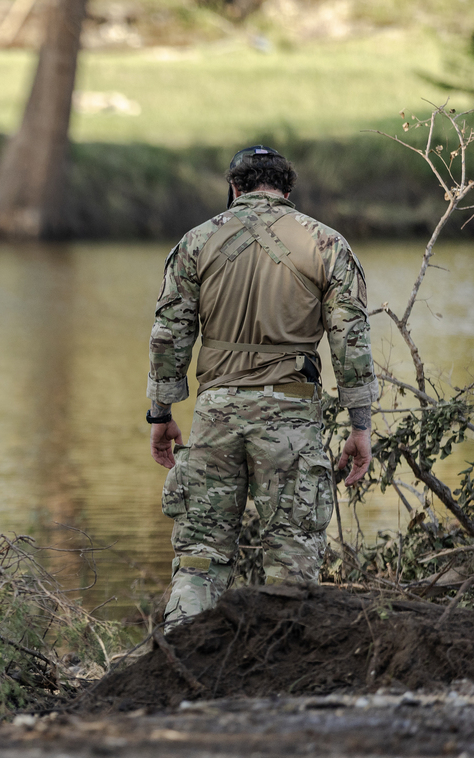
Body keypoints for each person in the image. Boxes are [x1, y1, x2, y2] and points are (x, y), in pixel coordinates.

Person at [146, 145, 378, 626]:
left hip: (216, 415)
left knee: (200, 557)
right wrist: (360, 425)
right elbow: (350, 342)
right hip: (290, 422)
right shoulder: (326, 243)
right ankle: (282, 674)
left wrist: (162, 414)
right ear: (288, 191)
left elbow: (168, 335)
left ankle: (175, 661)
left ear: (234, 188)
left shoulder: (196, 242)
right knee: (292, 558)